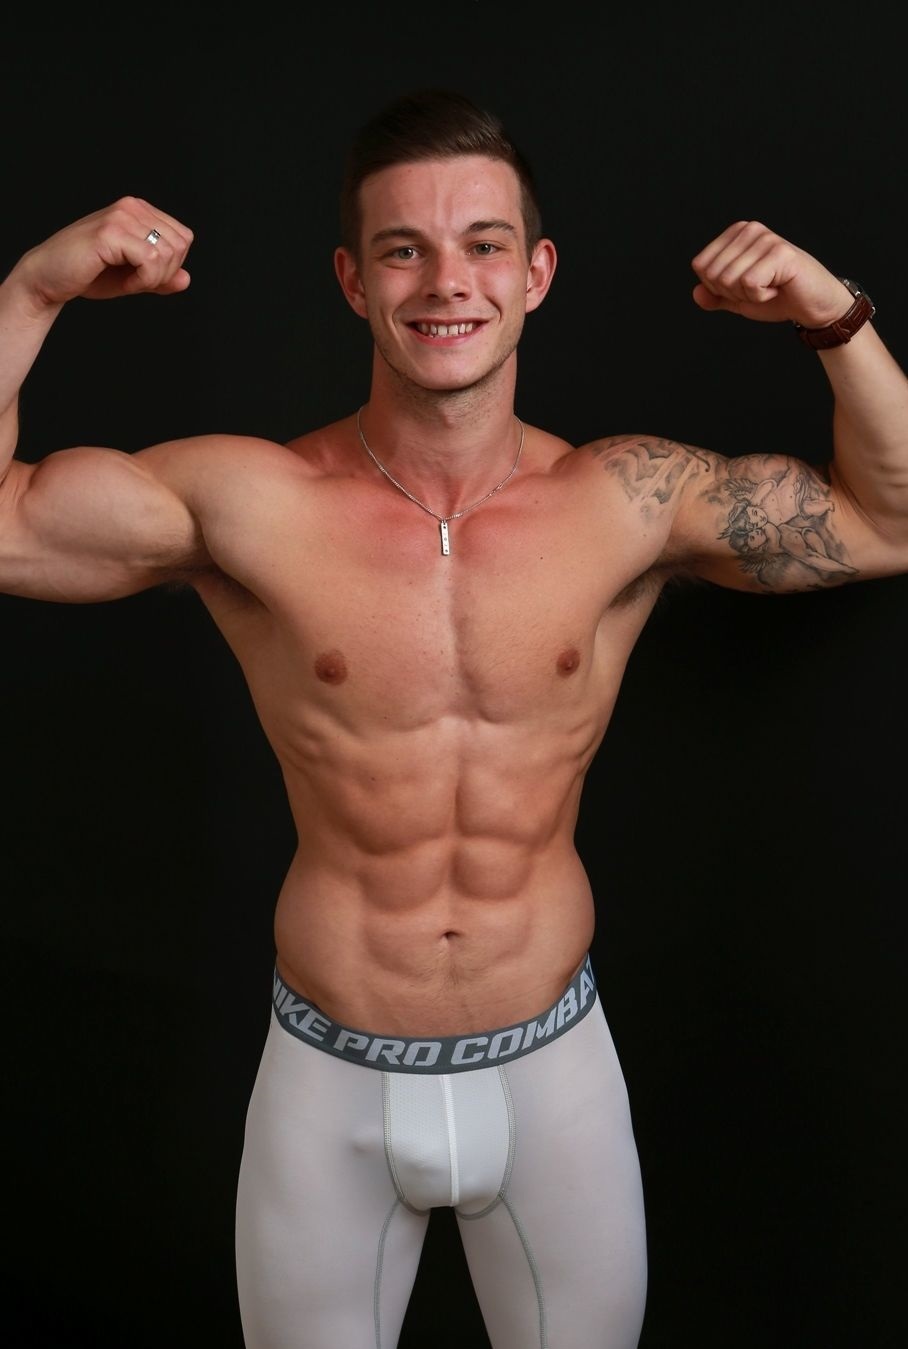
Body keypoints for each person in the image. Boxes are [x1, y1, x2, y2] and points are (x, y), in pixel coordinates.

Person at [2, 87, 907, 1349]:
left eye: (483, 244)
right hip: (328, 1077)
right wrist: (33, 289)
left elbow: (884, 520)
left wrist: (832, 315)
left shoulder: (623, 499)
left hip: (551, 1072)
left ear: (534, 273)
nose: (445, 282)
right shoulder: (252, 501)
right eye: (402, 249)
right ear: (351, 280)